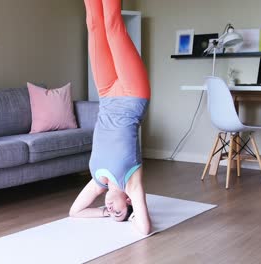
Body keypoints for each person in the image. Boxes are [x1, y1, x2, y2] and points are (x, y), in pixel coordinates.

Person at [69, 0, 152, 235]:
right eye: (117, 212)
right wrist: (136, 213)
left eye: (110, 213)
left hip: (106, 95)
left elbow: (75, 211)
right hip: (133, 95)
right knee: (113, 27)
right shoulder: (132, 184)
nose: (109, 209)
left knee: (94, 26)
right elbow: (145, 229)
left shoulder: (98, 181)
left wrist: (105, 214)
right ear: (128, 202)